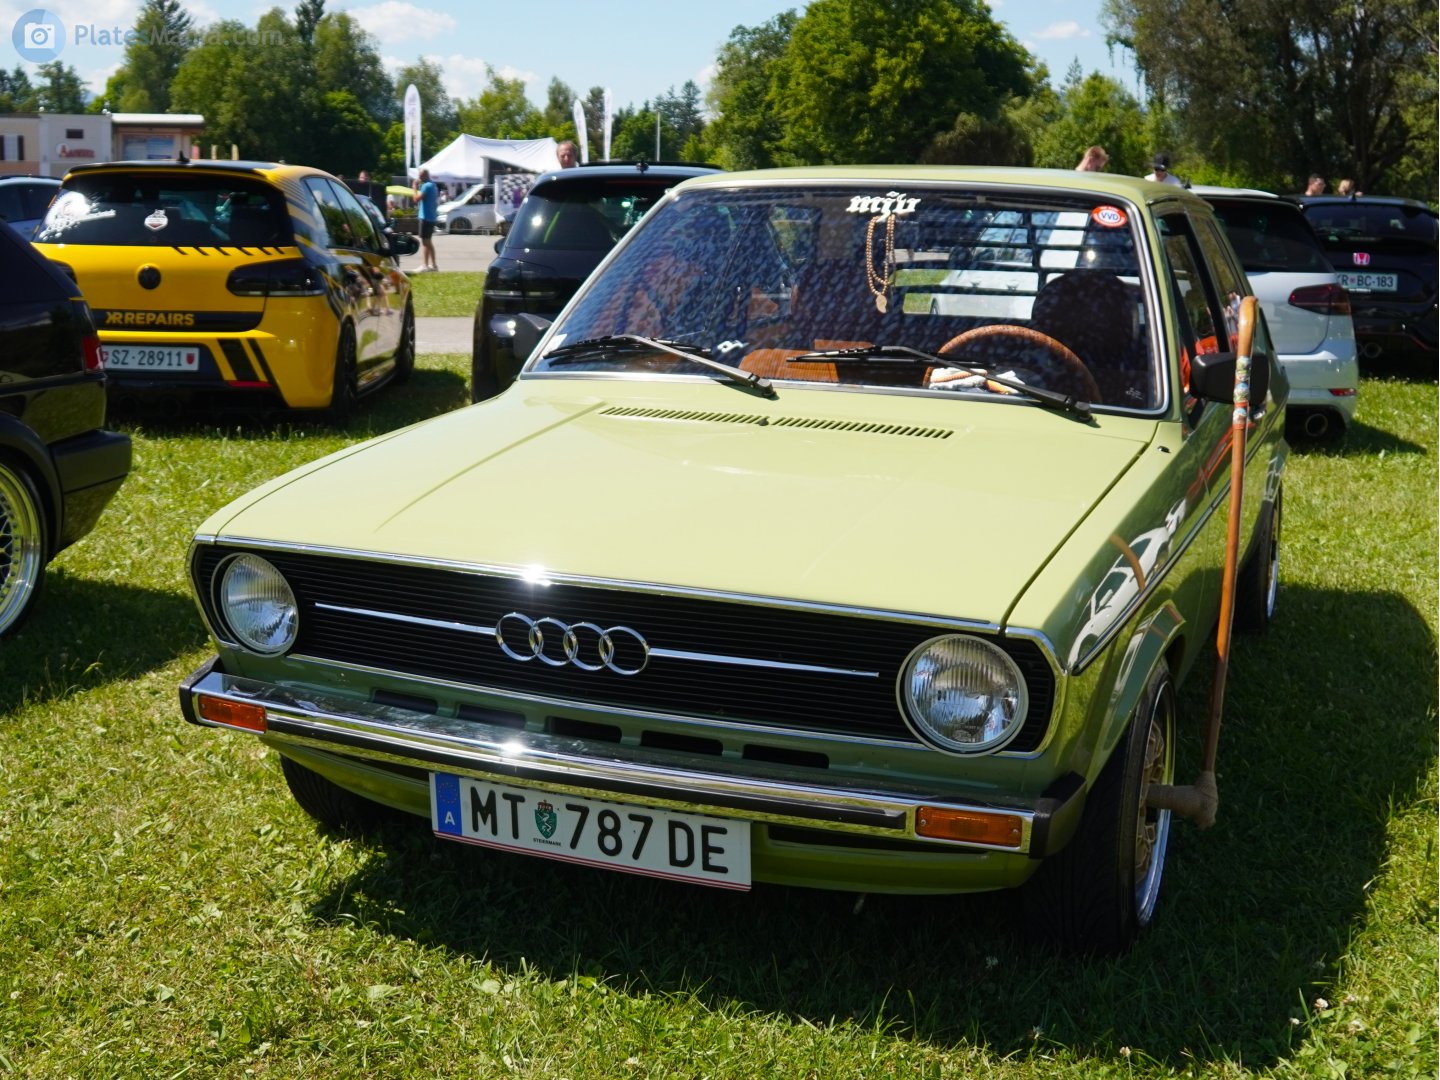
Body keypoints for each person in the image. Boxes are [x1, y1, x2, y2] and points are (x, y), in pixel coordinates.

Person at [414, 167, 439, 272]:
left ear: (424, 175)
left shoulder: (426, 186)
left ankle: (426, 265)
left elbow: (416, 199)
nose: (419, 178)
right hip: (431, 217)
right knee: (428, 242)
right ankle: (432, 265)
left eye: (420, 176)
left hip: (425, 217)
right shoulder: (433, 185)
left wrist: (414, 187)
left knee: (425, 242)